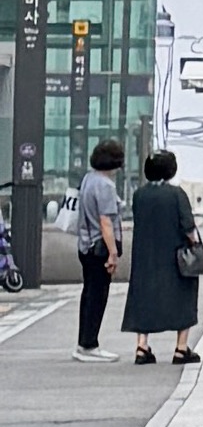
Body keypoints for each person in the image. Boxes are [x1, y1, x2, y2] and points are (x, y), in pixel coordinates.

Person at [124, 146, 203, 371]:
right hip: (175, 256)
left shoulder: (139, 195)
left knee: (143, 297)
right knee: (183, 296)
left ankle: (142, 346)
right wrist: (195, 243)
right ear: (171, 170)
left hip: (145, 255)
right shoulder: (177, 194)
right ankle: (181, 348)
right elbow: (188, 226)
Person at [71, 137, 129, 353]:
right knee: (98, 295)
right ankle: (89, 344)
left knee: (89, 294)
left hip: (85, 244)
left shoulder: (89, 179)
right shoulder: (105, 185)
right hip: (99, 247)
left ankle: (84, 342)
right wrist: (113, 253)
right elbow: (106, 221)